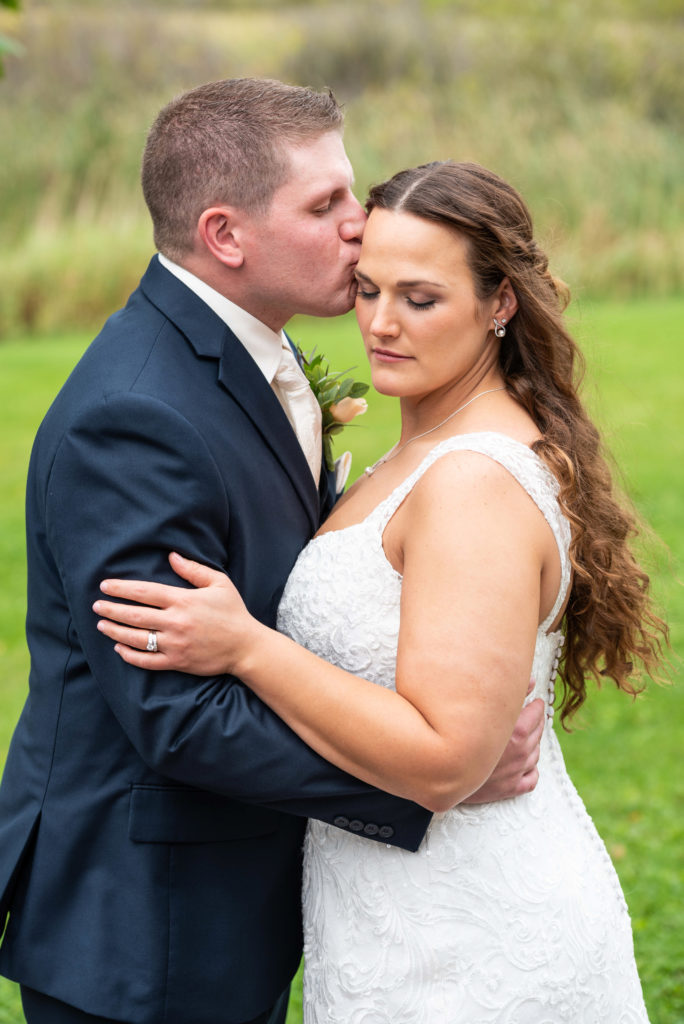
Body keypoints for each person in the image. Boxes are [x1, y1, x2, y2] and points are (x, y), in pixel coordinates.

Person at [0, 82, 543, 1024]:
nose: (360, 223)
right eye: (325, 204)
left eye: (352, 192)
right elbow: (176, 713)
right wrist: (427, 783)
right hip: (146, 929)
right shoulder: (137, 415)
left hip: (232, 907)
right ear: (225, 235)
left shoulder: (254, 354)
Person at [94, 160, 667, 1022]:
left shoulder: (471, 479)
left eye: (421, 299)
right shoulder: (423, 450)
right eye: (366, 289)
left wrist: (250, 648)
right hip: (386, 915)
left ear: (500, 302)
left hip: (469, 943)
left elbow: (445, 760)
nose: (382, 324)